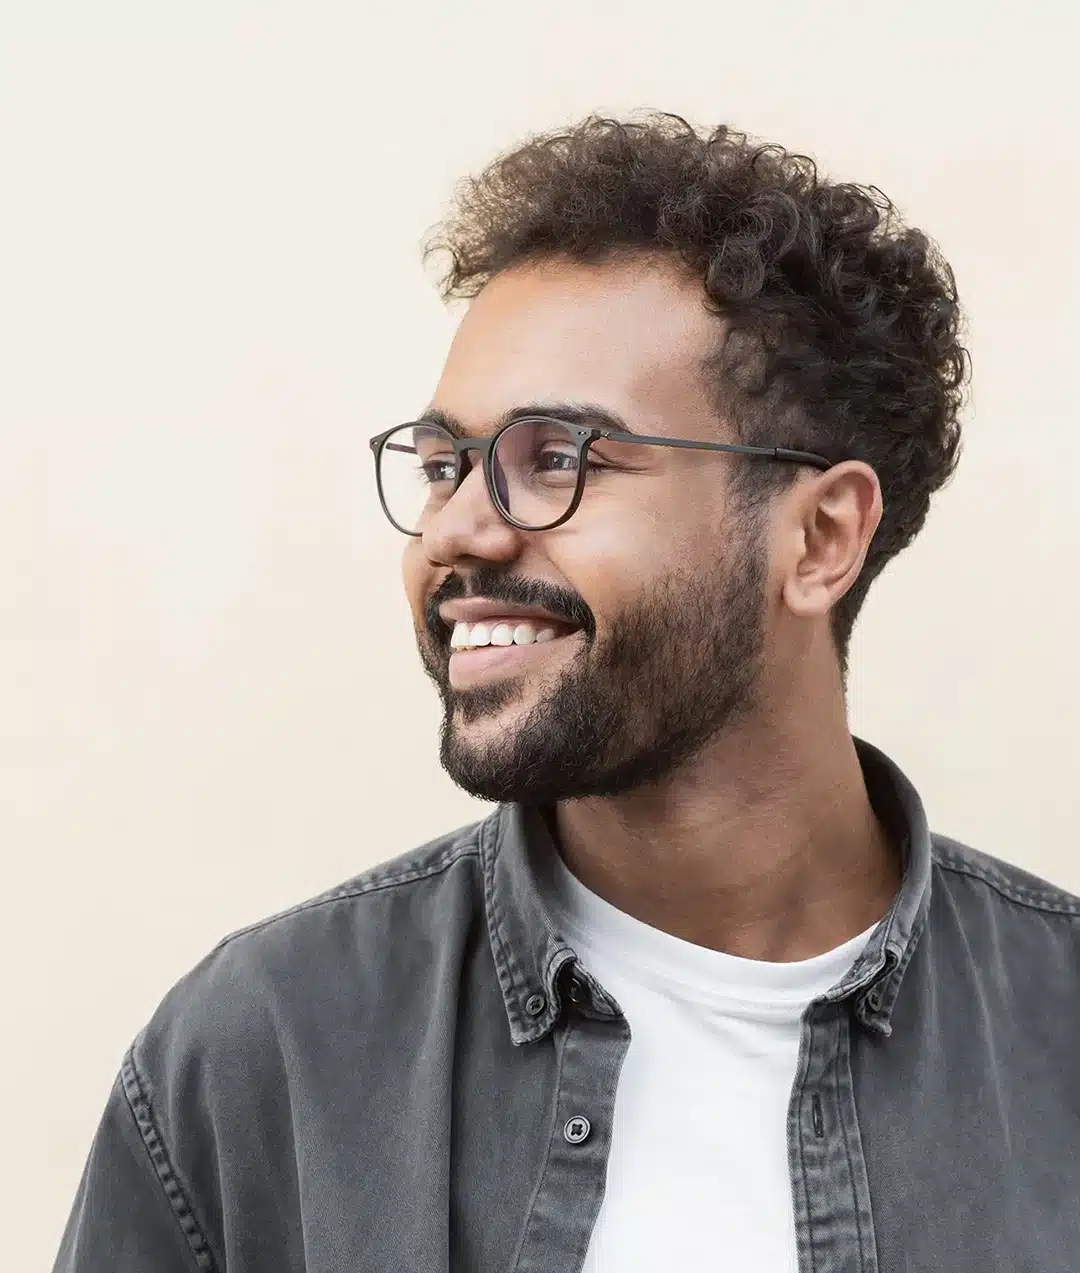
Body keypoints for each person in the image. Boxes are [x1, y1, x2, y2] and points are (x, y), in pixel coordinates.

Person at [54, 113, 1080, 1273]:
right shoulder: (264, 1054)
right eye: (446, 463)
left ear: (820, 536)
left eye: (559, 458)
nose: (457, 531)